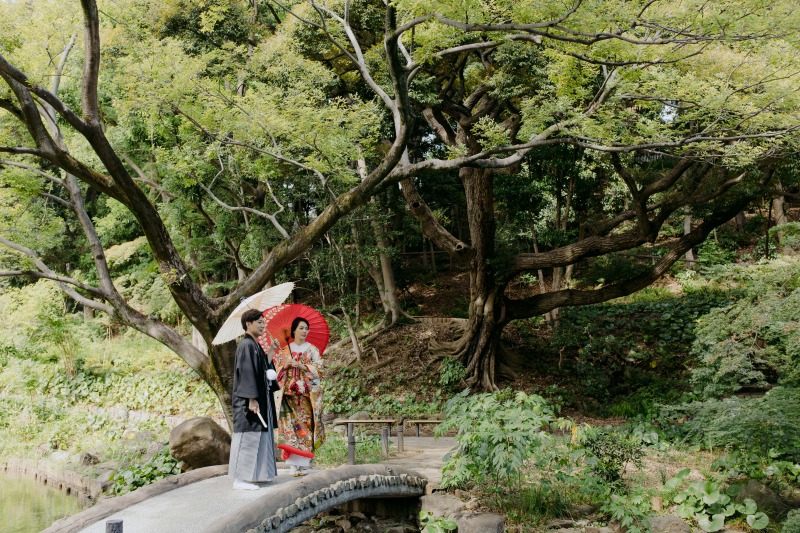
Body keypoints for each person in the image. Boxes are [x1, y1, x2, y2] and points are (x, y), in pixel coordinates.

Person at [228, 309, 282, 490]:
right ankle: (241, 479)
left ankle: (257, 476)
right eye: (258, 322)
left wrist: (272, 350)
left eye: (263, 322)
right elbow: (247, 374)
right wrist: (251, 399)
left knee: (260, 436)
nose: (262, 325)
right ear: (248, 324)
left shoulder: (255, 345)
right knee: (249, 437)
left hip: (261, 398)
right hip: (249, 401)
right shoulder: (246, 345)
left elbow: (262, 368)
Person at [274, 317, 325, 476]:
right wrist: (285, 366)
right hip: (288, 396)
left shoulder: (313, 350)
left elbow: (320, 370)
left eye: (306, 328)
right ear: (294, 330)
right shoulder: (284, 351)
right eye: (301, 328)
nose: (304, 331)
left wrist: (302, 366)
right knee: (289, 428)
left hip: (305, 396)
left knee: (305, 428)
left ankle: (303, 464)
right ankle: (292, 466)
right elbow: (275, 371)